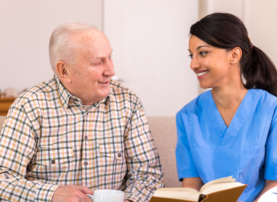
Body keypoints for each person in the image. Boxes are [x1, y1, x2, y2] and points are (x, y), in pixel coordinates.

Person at [0, 22, 164, 202]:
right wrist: (52, 194)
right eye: (98, 62)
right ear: (64, 71)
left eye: (110, 57)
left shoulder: (128, 103)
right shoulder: (29, 106)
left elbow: (149, 176)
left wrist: (130, 201)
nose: (111, 70)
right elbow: (3, 179)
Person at [175, 13, 277, 202]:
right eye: (191, 55)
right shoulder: (187, 116)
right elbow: (191, 186)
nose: (193, 64)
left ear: (234, 55)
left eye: (203, 53)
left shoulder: (274, 111)